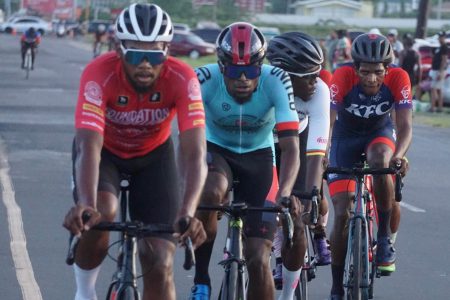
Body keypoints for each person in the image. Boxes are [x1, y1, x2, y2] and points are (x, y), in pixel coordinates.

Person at [62, 4, 208, 300]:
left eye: (154, 54)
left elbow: (195, 153)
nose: (145, 64)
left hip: (155, 157)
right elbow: (89, 145)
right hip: (106, 155)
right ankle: (85, 291)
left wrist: (187, 212)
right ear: (117, 49)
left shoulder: (183, 77)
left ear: (167, 51)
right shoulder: (98, 73)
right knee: (101, 213)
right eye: (136, 54)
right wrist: (86, 205)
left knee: (160, 262)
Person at [189, 22, 300, 300]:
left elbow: (290, 147)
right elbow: (186, 142)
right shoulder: (202, 78)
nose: (243, 79)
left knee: (258, 259)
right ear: (221, 66)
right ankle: (202, 279)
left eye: (251, 71)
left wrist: (285, 192)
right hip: (217, 151)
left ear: (260, 67)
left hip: (259, 158)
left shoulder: (277, 79)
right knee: (211, 190)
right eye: (235, 71)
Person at [327, 33, 412, 299]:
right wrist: (322, 155)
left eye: (378, 72)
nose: (371, 78)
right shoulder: (341, 76)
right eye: (365, 71)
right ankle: (336, 286)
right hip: (345, 138)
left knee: (381, 161)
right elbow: (328, 121)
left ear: (388, 69)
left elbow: (405, 124)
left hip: (379, 133)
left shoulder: (400, 78)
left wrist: (399, 155)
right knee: (341, 213)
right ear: (355, 68)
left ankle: (384, 239)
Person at [267, 32, 331, 299]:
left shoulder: (320, 92)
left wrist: (312, 193)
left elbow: (316, 151)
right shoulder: (263, 86)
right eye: (309, 76)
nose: (316, 82)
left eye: (318, 73)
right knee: (267, 207)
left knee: (303, 205)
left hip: (301, 145)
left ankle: (288, 292)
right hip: (265, 146)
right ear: (285, 75)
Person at [429, 30, 448, 113]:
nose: (439, 38)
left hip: (439, 71)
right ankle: (440, 107)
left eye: (441, 37)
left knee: (433, 88)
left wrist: (440, 72)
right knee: (439, 90)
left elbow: (444, 60)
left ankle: (433, 107)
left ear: (444, 37)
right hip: (435, 70)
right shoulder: (439, 47)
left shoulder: (444, 47)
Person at [398, 33, 422, 98]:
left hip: (403, 75)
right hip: (412, 75)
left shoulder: (402, 53)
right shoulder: (416, 54)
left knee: (401, 93)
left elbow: (400, 66)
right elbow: (419, 68)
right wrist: (419, 81)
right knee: (408, 92)